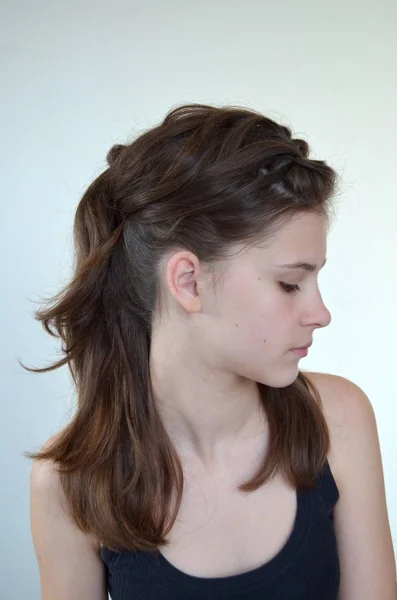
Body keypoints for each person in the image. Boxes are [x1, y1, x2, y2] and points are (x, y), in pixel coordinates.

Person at [25, 103, 396, 599]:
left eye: (315, 279)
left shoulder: (340, 419)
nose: (321, 312)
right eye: (290, 283)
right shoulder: (70, 481)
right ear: (188, 281)